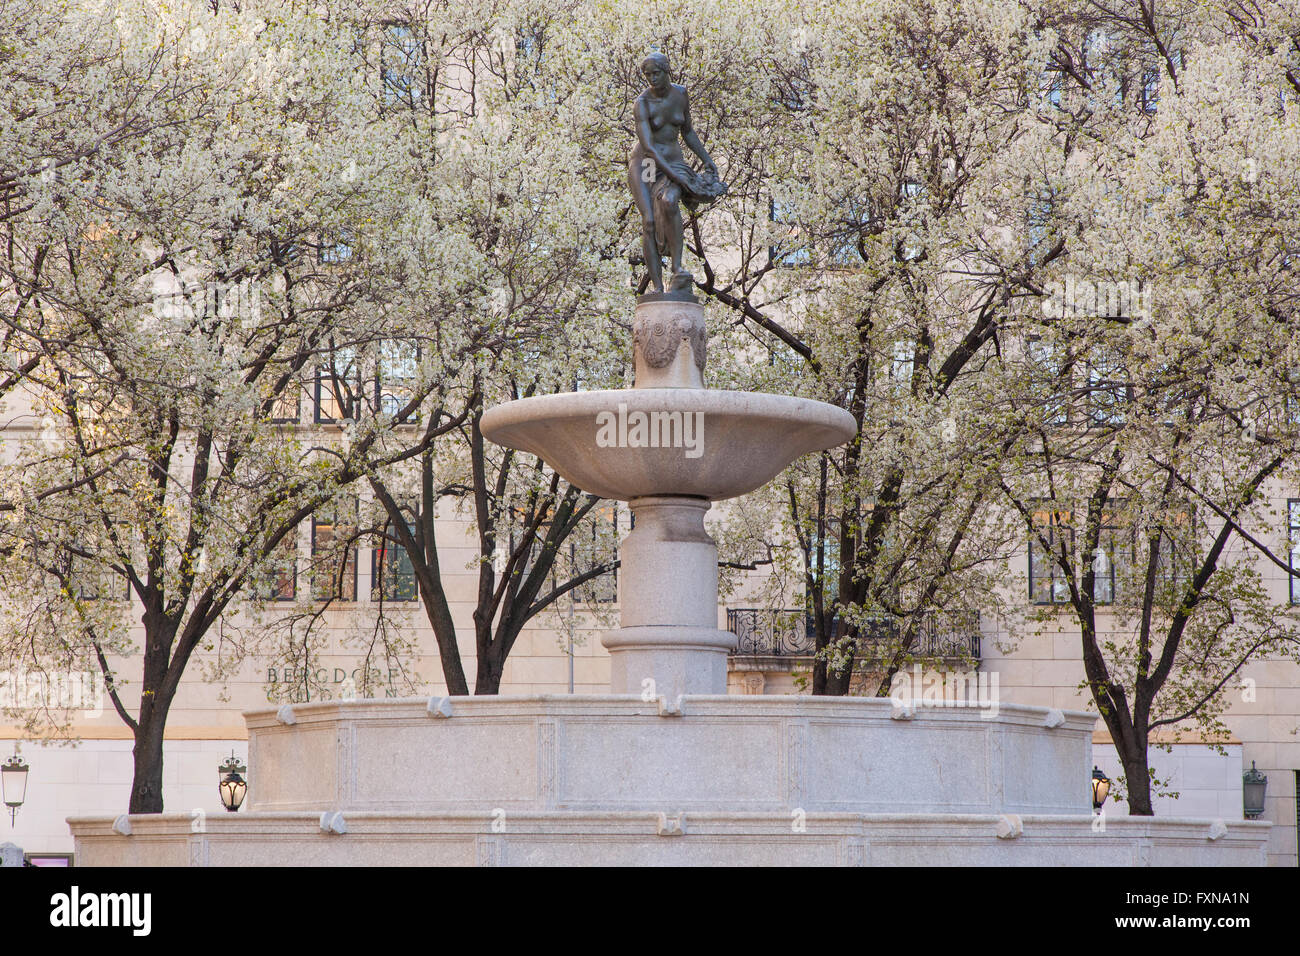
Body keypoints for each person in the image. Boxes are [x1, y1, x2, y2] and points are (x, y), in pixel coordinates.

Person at [627, 51, 727, 295]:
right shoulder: (642, 104)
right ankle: (658, 286)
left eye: (656, 73)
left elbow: (688, 131)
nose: (651, 79)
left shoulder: (680, 94)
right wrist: (674, 174)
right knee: (649, 221)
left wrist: (707, 160)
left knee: (670, 201)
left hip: (673, 162)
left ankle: (677, 268)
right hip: (647, 166)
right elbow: (649, 146)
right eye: (647, 75)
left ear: (667, 71)